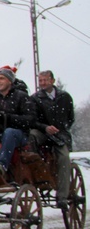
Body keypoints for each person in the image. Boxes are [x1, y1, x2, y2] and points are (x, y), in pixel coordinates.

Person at [30, 70, 75, 209]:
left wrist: (60, 128)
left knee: (63, 158)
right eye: (40, 80)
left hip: (60, 134)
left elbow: (70, 118)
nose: (43, 83)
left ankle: (62, 196)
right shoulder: (35, 98)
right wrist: (45, 127)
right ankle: (38, 171)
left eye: (45, 80)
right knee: (30, 137)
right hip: (43, 132)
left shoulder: (65, 97)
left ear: (52, 81)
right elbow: (33, 120)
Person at [0, 66, 36, 178]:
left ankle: (1, 165)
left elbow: (30, 119)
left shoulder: (21, 97)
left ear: (10, 81)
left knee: (10, 132)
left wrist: (9, 117)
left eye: (1, 78)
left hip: (20, 134)